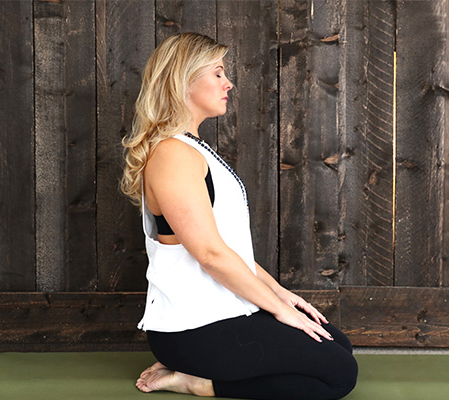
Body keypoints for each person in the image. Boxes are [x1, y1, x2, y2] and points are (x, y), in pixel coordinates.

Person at [120, 32, 357, 400]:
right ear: (183, 80)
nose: (227, 82)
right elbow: (211, 256)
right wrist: (277, 310)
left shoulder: (192, 148)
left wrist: (282, 295)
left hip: (223, 311)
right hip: (193, 329)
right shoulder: (172, 154)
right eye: (217, 73)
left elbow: (229, 249)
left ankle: (203, 373)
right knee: (339, 375)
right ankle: (198, 381)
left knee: (337, 345)